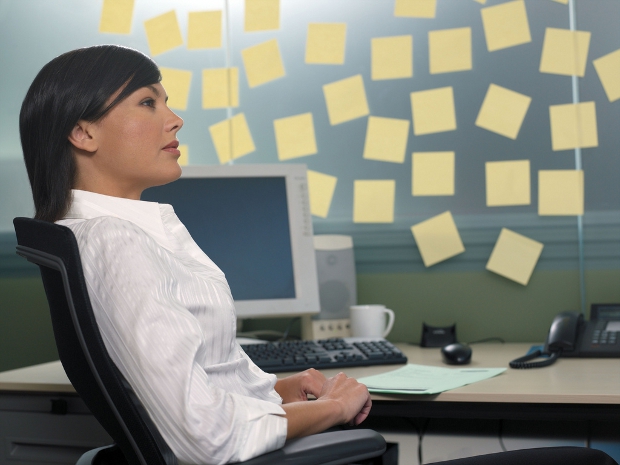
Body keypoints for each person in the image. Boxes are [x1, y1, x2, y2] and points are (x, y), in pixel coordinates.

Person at [19, 45, 371, 465]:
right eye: (148, 102)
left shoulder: (107, 235)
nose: (175, 119)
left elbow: (189, 392)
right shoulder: (116, 244)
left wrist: (275, 391)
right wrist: (335, 406)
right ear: (84, 133)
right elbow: (209, 436)